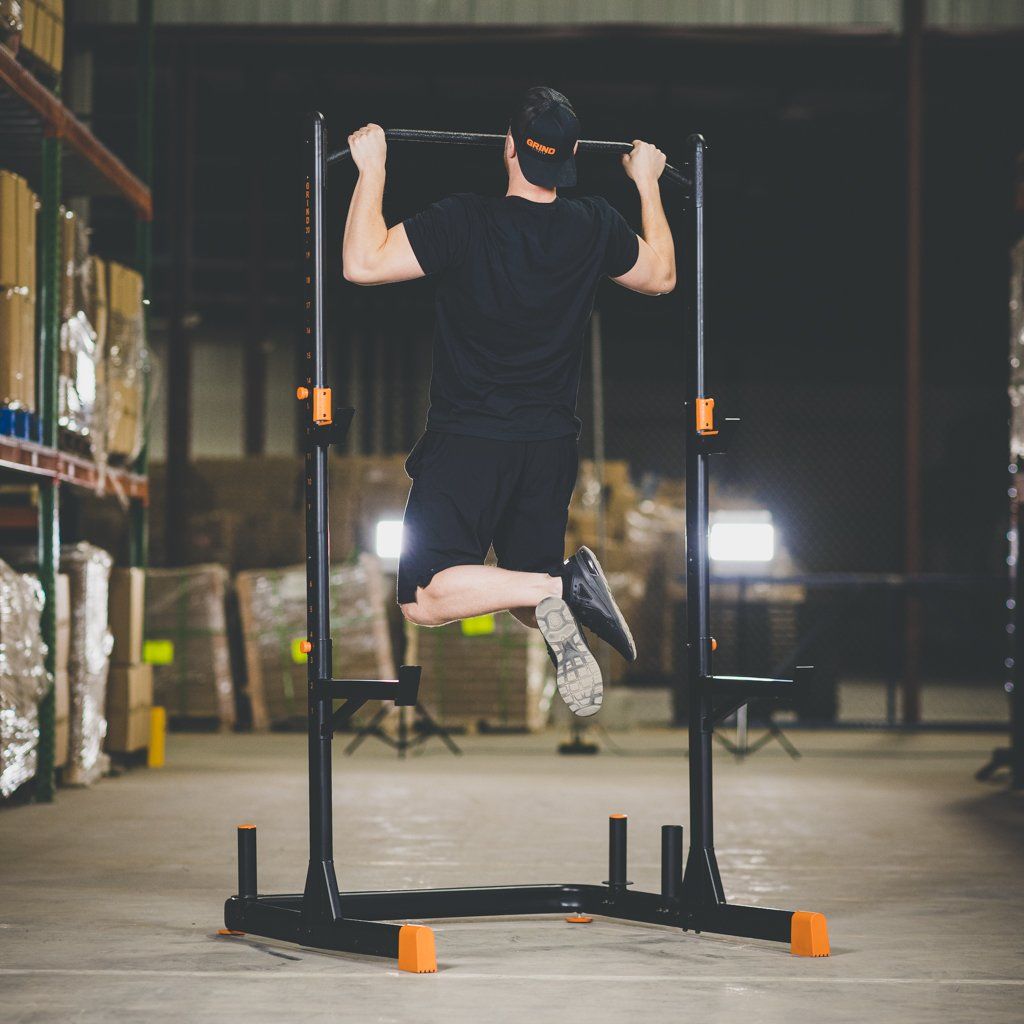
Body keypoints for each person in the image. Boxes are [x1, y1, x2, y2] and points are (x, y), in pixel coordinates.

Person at [342, 86, 676, 717]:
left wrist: (373, 169)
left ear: (510, 150)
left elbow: (362, 263)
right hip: (549, 447)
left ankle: (566, 584)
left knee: (423, 596)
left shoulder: (466, 220)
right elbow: (660, 276)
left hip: (469, 439)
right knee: (529, 605)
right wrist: (648, 182)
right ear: (571, 157)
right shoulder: (595, 223)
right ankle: (557, 590)